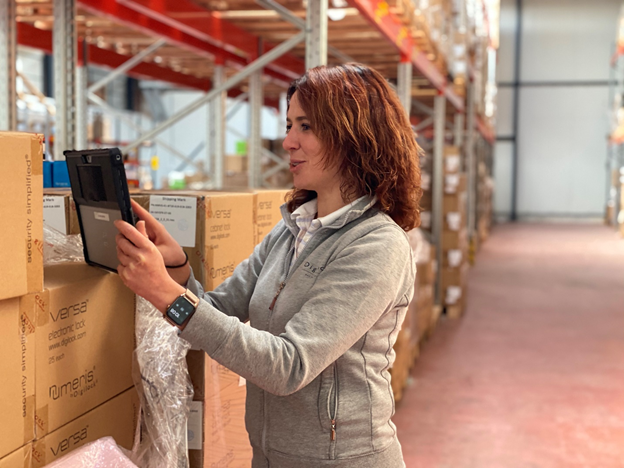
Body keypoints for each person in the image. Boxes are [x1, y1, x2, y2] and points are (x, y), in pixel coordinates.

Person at [115, 63, 422, 468]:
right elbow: (217, 312)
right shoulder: (293, 230)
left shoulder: (377, 245)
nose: (288, 141)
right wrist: (178, 270)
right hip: (269, 455)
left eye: (306, 127)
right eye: (289, 125)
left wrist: (167, 295)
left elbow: (288, 366)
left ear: (353, 135)